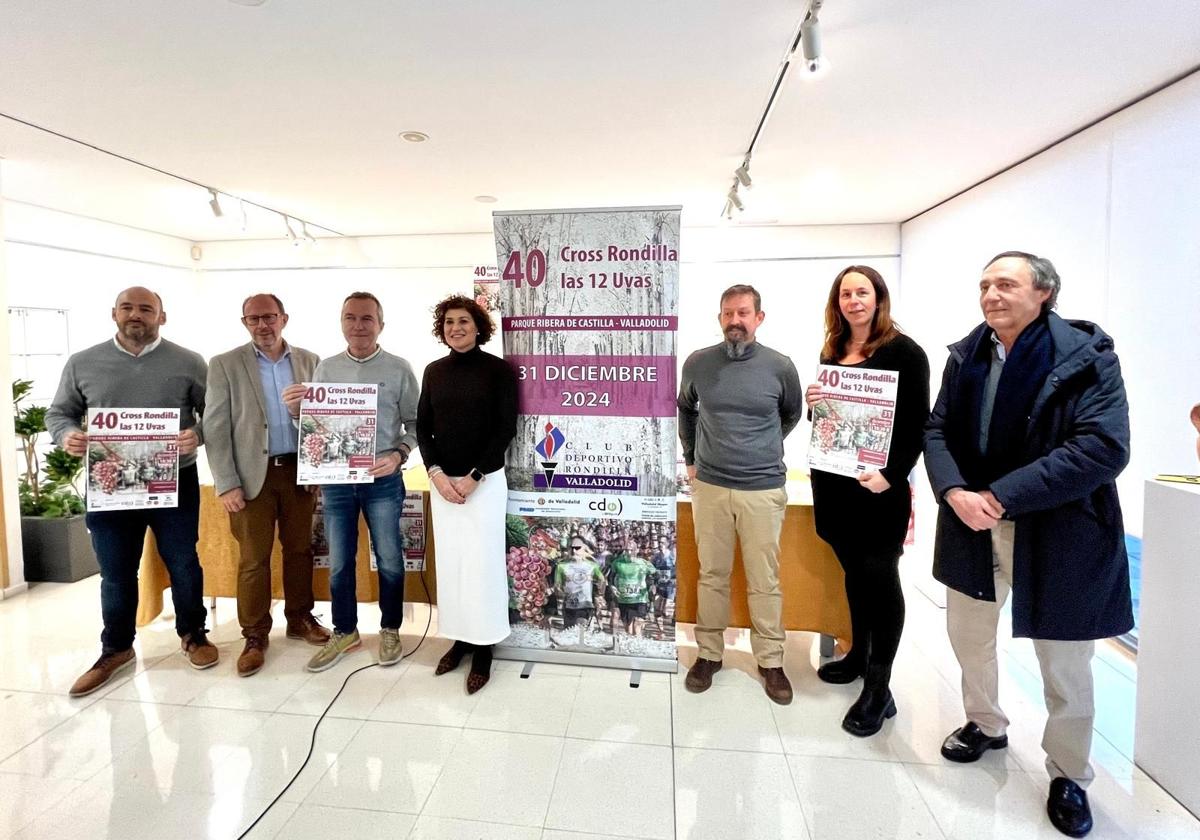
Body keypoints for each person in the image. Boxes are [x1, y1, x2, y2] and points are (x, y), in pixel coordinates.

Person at [925, 251, 1133, 838]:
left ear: (1043, 293)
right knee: (968, 636)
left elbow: (1101, 447)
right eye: (985, 284)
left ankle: (1069, 772)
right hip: (971, 522)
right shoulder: (967, 356)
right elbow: (937, 428)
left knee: (1064, 661)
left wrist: (1002, 496)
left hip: (1057, 528)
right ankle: (985, 724)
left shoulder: (1088, 359)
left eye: (1006, 284)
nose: (991, 294)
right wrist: (956, 491)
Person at [47, 287, 218, 697]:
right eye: (128, 308)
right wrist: (67, 434)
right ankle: (116, 648)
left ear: (162, 316)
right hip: (110, 486)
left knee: (183, 562)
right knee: (116, 571)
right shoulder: (83, 363)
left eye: (146, 308)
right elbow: (60, 413)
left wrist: (197, 434)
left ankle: (194, 634)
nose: (136, 315)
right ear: (114, 314)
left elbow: (215, 412)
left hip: (173, 481)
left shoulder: (189, 362)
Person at [805, 266, 930, 737]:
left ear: (879, 298)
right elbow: (828, 417)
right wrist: (816, 399)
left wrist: (892, 474)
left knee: (880, 577)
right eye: (845, 293)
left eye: (862, 292)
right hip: (834, 484)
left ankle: (880, 687)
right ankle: (857, 653)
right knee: (853, 573)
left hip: (877, 489)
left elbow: (919, 423)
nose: (853, 300)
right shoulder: (833, 349)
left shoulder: (905, 351)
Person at [677, 284, 803, 705]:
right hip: (710, 486)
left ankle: (770, 661)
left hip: (763, 488)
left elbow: (791, 414)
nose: (736, 320)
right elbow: (685, 407)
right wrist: (691, 457)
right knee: (712, 574)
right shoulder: (698, 363)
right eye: (728, 313)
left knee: (764, 579)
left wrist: (763, 446)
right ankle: (708, 654)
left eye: (744, 313)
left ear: (759, 317)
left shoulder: (780, 367)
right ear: (720, 318)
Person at [284, 291, 419, 673]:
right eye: (350, 318)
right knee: (341, 562)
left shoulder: (398, 368)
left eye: (366, 319)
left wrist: (398, 455)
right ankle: (346, 632)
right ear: (341, 322)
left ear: (380, 324)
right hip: (337, 483)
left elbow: (417, 425)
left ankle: (390, 628)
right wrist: (297, 413)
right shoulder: (325, 369)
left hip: (384, 481)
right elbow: (315, 427)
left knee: (390, 559)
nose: (358, 326)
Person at [204, 293, 330, 678]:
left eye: (269, 317)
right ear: (244, 322)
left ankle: (300, 618)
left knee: (300, 550)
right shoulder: (224, 364)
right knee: (253, 559)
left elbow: (323, 420)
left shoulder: (310, 361)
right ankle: (255, 635)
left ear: (284, 318)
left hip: (297, 473)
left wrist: (316, 471)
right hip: (249, 477)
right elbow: (215, 426)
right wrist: (225, 483)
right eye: (254, 318)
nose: (263, 325)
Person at [418, 294, 517, 693]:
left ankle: (484, 648)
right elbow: (424, 428)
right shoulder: (433, 371)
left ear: (479, 327)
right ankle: (459, 639)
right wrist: (437, 474)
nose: (455, 328)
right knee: (454, 564)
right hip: (444, 484)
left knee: (483, 565)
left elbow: (504, 428)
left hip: (485, 483)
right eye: (448, 323)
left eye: (463, 321)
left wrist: (473, 476)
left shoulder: (499, 371)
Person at [552, 533, 606, 647]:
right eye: (571, 547)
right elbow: (557, 585)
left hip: (585, 605)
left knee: (580, 634)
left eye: (577, 548)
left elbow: (602, 580)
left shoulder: (592, 566)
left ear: (585, 549)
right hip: (568, 606)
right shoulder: (561, 566)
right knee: (569, 635)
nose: (574, 550)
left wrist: (599, 595)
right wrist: (560, 592)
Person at [606, 533, 657, 638]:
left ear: (636, 551)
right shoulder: (617, 563)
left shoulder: (643, 563)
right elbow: (610, 577)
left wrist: (652, 586)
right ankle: (632, 647)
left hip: (640, 599)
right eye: (627, 550)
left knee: (637, 627)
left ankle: (639, 648)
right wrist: (612, 587)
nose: (628, 553)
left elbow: (655, 575)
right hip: (624, 599)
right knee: (628, 630)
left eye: (631, 550)